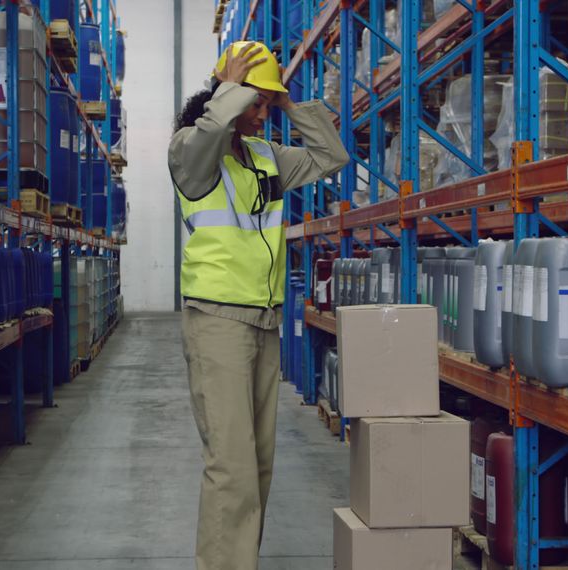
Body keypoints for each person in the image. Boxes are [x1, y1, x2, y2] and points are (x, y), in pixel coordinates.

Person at [168, 41, 348, 570]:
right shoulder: (191, 154)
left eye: (266, 104)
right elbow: (208, 130)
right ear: (228, 94)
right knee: (233, 468)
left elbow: (331, 156)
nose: (262, 113)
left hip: (264, 320)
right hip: (217, 321)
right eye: (257, 103)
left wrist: (289, 103)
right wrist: (228, 89)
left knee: (260, 464)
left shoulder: (265, 155)